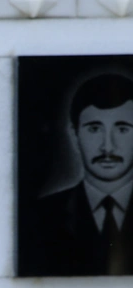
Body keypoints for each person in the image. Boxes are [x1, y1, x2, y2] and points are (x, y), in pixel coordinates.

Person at [26, 73, 133, 276]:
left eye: (122, 129)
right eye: (94, 129)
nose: (107, 147)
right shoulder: (37, 218)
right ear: (75, 135)